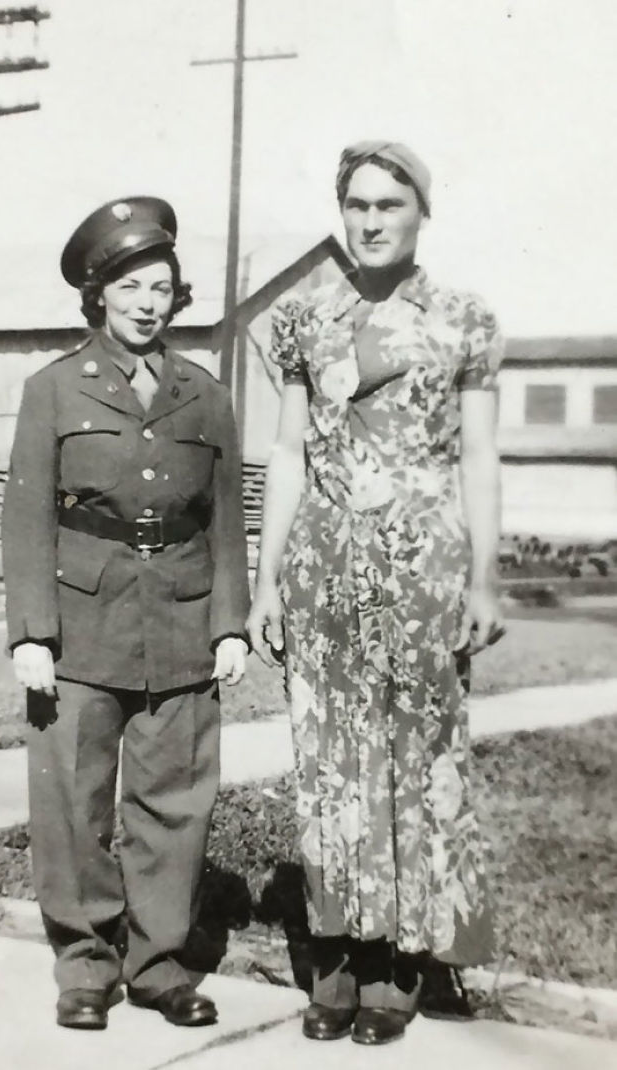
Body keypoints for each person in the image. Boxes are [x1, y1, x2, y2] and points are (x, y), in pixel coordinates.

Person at [248, 142, 505, 1046]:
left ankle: (401, 962)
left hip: (424, 568)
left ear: (419, 212)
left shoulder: (462, 320)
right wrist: (265, 582)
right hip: (323, 564)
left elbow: (477, 455)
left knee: (412, 756)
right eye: (357, 203)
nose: (371, 219)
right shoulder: (303, 318)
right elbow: (286, 453)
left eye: (390, 203)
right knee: (327, 760)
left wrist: (483, 576)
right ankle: (337, 959)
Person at [2, 196, 250, 1031]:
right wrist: (31, 633)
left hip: (181, 617)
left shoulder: (205, 394)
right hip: (79, 624)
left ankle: (159, 965)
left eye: (162, 286)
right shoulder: (52, 388)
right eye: (131, 285)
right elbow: (27, 517)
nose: (148, 302)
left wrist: (230, 623)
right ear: (98, 294)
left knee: (174, 799)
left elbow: (223, 520)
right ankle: (84, 963)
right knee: (74, 802)